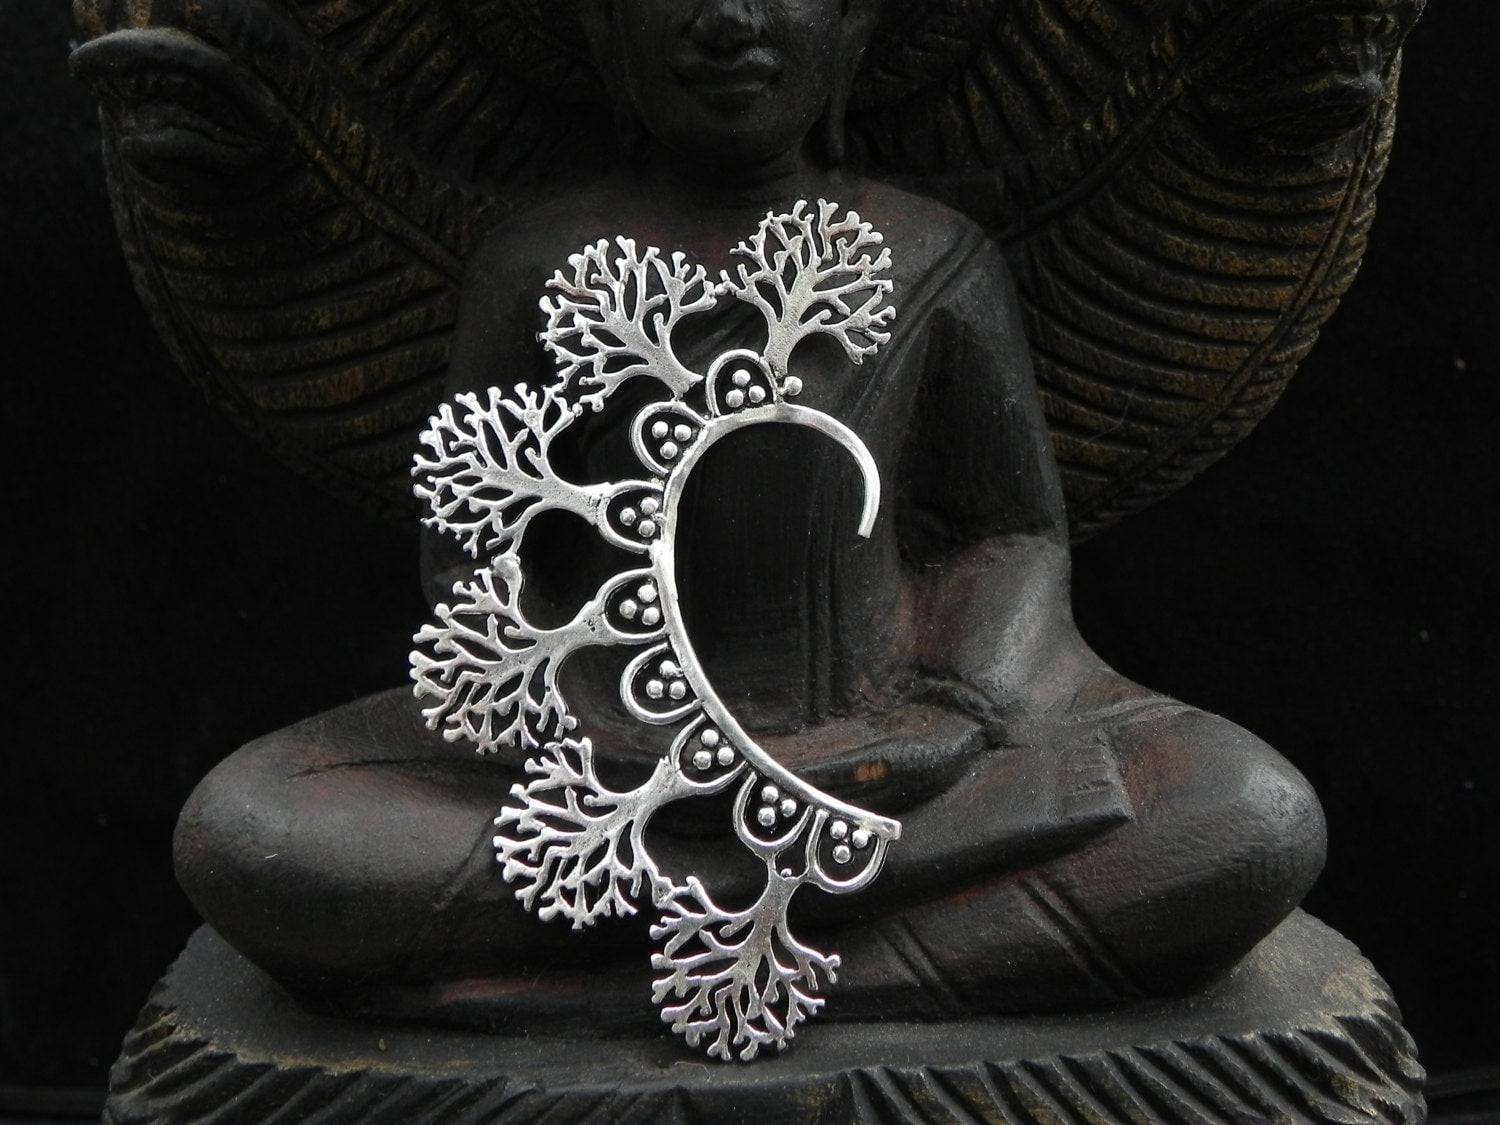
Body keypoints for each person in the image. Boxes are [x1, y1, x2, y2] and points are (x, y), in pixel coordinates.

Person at [175, 0, 1324, 1030]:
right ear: (601, 29)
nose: (728, 19)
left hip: (900, 757)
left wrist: (961, 703)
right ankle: (821, 929)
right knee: (251, 832)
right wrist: (594, 726)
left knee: (1245, 815)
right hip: (610, 754)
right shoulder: (537, 263)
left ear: (860, 26)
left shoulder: (929, 257)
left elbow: (1006, 533)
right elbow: (477, 553)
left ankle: (666, 969)